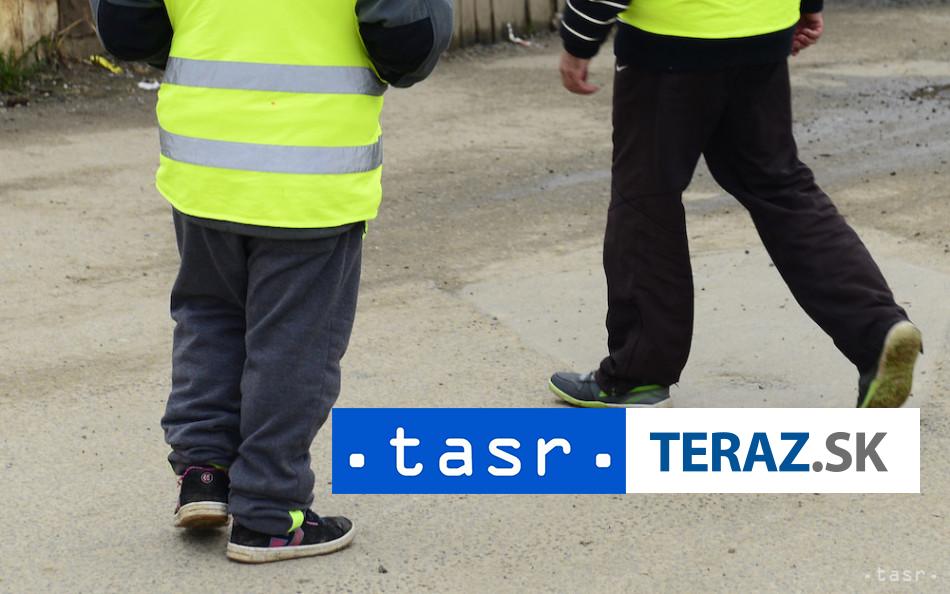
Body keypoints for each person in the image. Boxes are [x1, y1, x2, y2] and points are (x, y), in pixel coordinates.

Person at [91, 0, 452, 563]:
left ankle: (204, 474)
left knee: (209, 316)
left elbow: (125, 25)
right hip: (311, 168)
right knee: (294, 344)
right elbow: (411, 37)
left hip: (204, 160)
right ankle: (269, 511)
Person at [549, 0, 922, 409]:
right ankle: (877, 330)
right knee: (782, 189)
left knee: (646, 201)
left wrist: (577, 39)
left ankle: (638, 377)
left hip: (670, 43)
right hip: (762, 32)